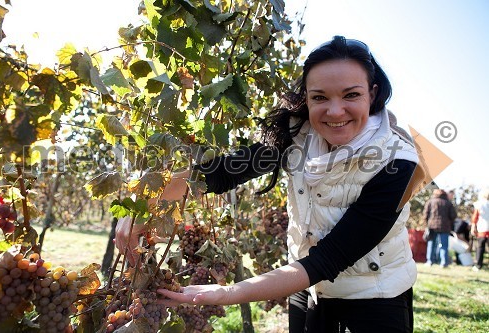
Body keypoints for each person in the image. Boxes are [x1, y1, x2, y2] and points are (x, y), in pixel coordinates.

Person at [116, 36, 426, 333]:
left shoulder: (398, 161)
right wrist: (147, 204)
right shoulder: (298, 136)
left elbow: (330, 257)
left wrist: (228, 293)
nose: (334, 110)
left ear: (371, 94)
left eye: (351, 95)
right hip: (306, 289)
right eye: (319, 97)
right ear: (305, 97)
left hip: (373, 299)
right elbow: (221, 173)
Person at [422, 189, 457, 267]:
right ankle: (443, 262)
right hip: (445, 227)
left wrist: (426, 224)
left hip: (432, 226)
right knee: (444, 245)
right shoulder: (448, 203)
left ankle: (429, 261)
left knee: (431, 244)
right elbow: (453, 215)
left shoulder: (430, 202)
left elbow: (425, 214)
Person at [471, 188, 489, 271]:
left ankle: (478, 265)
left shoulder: (479, 204)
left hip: (482, 229)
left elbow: (475, 217)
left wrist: (473, 227)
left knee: (480, 248)